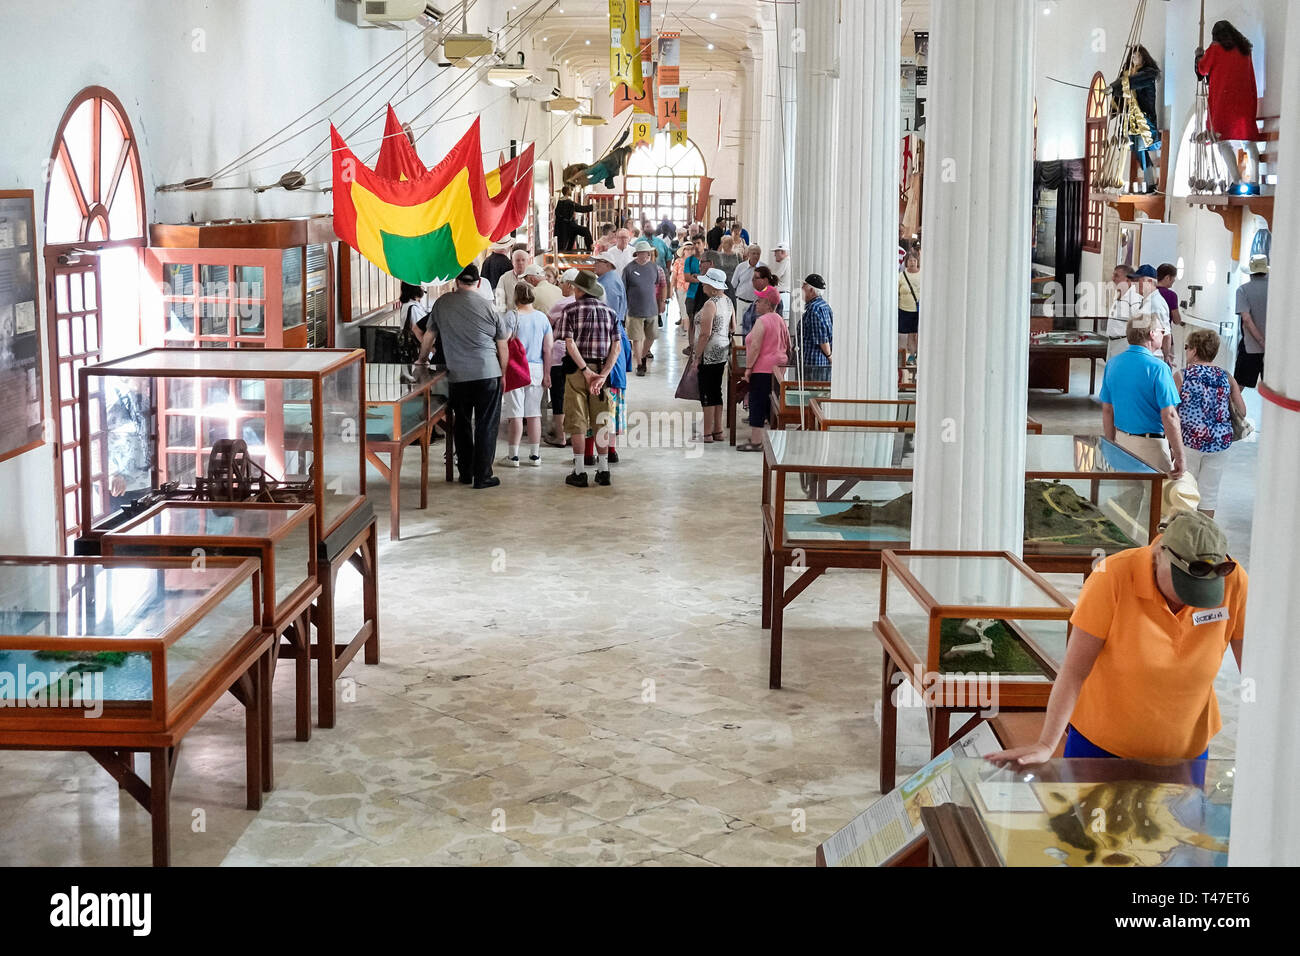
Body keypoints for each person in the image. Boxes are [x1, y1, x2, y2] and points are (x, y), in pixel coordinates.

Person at [987, 510, 1246, 767]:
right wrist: (1046, 744)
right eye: (1185, 584)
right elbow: (1074, 671)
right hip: (1100, 747)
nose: (1192, 599)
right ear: (1160, 554)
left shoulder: (1234, 583)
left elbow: (1255, 674)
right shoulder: (1112, 575)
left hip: (1187, 750)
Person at [418, 264, 509, 489]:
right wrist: (503, 373)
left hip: (457, 375)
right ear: (478, 283)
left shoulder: (442, 304)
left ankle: (466, 472)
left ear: (456, 281)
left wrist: (421, 359)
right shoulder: (489, 308)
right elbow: (502, 346)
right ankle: (483, 476)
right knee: (486, 424)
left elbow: (429, 335)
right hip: (488, 373)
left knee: (462, 422)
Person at [554, 270, 621, 488]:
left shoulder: (570, 310)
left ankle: (580, 471)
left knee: (577, 420)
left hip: (577, 371)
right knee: (601, 420)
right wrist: (603, 375)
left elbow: (569, 343)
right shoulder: (610, 312)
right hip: (601, 370)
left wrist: (585, 370)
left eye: (574, 288)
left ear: (580, 290)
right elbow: (617, 346)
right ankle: (603, 470)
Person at [1099, 313, 1185, 477]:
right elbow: (1170, 415)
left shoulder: (1112, 364)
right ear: (1152, 334)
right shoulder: (1158, 369)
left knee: (1126, 498)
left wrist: (1112, 445)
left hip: (1121, 441)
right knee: (1160, 499)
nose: (1163, 334)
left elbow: (1107, 410)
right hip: (1150, 446)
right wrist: (1180, 456)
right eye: (1162, 331)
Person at [1175, 329, 1246, 518]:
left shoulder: (1182, 376)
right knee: (1209, 495)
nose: (1186, 351)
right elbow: (1242, 411)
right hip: (1220, 442)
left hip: (1190, 441)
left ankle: (1183, 537)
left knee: (1184, 491)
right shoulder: (1226, 377)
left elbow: (1170, 412)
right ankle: (1204, 537)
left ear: (1194, 350)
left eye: (1187, 347)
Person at [1196, 21, 1260, 194]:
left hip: (1224, 100)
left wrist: (1199, 56)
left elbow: (1202, 69)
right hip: (1244, 98)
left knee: (1222, 141)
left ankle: (1237, 182)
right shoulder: (1244, 49)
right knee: (1248, 140)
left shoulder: (1216, 48)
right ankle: (1255, 181)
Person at [499, 283, 553, 468]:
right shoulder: (542, 319)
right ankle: (535, 455)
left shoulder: (511, 317)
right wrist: (547, 373)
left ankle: (513, 457)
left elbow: (503, 344)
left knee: (515, 414)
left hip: (515, 369)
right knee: (534, 414)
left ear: (516, 296)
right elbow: (548, 348)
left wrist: (502, 370)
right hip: (536, 369)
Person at [737, 286, 791, 452]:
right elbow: (788, 344)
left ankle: (756, 441)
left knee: (757, 402)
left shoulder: (762, 321)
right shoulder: (779, 319)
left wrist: (748, 369)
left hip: (762, 368)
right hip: (778, 368)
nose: (756, 303)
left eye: (759, 300)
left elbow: (755, 347)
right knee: (771, 403)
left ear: (768, 303)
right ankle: (769, 438)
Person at [1109, 44, 1162, 194]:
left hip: (1143, 118)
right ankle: (1149, 183)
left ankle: (1151, 184)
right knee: (1138, 153)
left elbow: (1131, 83)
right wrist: (1114, 93)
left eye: (1137, 56)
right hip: (1131, 120)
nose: (1134, 59)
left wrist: (1115, 86)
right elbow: (1121, 90)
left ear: (1143, 57)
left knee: (1143, 150)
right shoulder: (1127, 75)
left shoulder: (1147, 74)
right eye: (1132, 56)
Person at [692, 268, 733, 444]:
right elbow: (733, 327)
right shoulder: (728, 301)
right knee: (717, 390)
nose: (702, 284)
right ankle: (718, 430)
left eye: (705, 282)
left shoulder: (710, 304)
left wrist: (697, 356)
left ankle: (707, 432)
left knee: (707, 392)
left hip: (708, 352)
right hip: (722, 351)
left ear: (712, 286)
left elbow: (705, 333)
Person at [543, 269, 578, 447]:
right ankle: (576, 433)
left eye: (562, 283)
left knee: (558, 396)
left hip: (559, 354)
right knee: (576, 396)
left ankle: (560, 436)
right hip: (580, 357)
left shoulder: (561, 304)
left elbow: (546, 328)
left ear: (570, 285)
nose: (560, 286)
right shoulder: (586, 303)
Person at [623, 240, 667, 375]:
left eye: (646, 253)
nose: (644, 255)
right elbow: (623, 289)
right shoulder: (629, 268)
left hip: (651, 308)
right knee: (636, 337)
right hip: (634, 309)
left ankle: (642, 355)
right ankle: (640, 364)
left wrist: (662, 301)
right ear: (637, 254)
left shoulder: (656, 268)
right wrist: (624, 307)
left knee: (652, 335)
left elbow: (662, 284)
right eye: (641, 253)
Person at [1234, 253, 1269, 389]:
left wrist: (1260, 341)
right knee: (1271, 388)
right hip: (1273, 348)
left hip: (1250, 346)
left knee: (1238, 387)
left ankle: (1233, 411)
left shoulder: (1243, 290)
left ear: (1251, 272)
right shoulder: (1274, 289)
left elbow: (1246, 319)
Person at [1132, 264, 1172, 367]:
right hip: (1144, 355)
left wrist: (1166, 357)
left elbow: (1166, 334)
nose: (1134, 284)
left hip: (1153, 356)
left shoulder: (1156, 303)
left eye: (1138, 281)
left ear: (1149, 282)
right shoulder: (1146, 300)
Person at [1105, 264, 1143, 362]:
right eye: (1113, 275)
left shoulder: (1134, 298)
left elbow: (1138, 324)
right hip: (1112, 342)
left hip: (1124, 344)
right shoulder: (1118, 295)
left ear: (1127, 280)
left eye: (1116, 276)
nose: (1113, 278)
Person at [799, 274, 833, 380]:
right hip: (818, 362)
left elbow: (822, 338)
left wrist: (829, 356)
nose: (801, 288)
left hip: (813, 364)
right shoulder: (824, 306)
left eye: (804, 285)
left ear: (811, 290)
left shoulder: (814, 309)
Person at [740, 265, 782, 336]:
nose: (752, 280)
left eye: (756, 278)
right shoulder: (758, 297)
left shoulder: (773, 297)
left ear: (765, 280)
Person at [897, 253, 921, 367]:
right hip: (905, 309)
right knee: (910, 333)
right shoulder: (901, 275)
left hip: (919, 309)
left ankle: (918, 353)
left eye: (914, 260)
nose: (912, 262)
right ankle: (912, 354)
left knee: (917, 333)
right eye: (910, 260)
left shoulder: (922, 274)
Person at [395, 282, 428, 364]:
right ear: (415, 290)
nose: (423, 289)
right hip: (416, 351)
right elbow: (419, 331)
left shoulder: (407, 305)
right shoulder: (413, 308)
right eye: (420, 286)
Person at [554, 186, 595, 251]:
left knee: (568, 242)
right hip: (569, 226)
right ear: (567, 192)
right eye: (570, 190)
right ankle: (590, 249)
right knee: (585, 231)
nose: (571, 191)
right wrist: (594, 206)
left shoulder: (559, 202)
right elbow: (582, 209)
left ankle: (568, 250)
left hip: (562, 227)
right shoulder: (569, 203)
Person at [593, 253, 628, 326]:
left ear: (608, 264)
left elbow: (609, 312)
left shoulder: (608, 284)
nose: (594, 264)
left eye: (597, 261)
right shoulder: (611, 278)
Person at [494, 248, 531, 314]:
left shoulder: (533, 278)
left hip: (529, 317)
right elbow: (499, 301)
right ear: (512, 262)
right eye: (517, 260)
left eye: (523, 260)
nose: (520, 263)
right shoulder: (504, 278)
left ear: (528, 262)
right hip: (510, 318)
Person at [733, 245, 763, 316]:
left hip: (757, 304)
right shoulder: (740, 267)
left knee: (756, 326)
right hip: (741, 302)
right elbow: (733, 284)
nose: (756, 256)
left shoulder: (764, 268)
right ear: (748, 254)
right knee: (740, 326)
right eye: (753, 253)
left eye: (758, 254)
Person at [715, 236, 741, 307]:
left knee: (733, 304)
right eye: (723, 243)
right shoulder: (719, 256)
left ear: (731, 244)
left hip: (734, 284)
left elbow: (741, 268)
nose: (723, 244)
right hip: (722, 284)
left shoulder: (737, 255)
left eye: (726, 243)